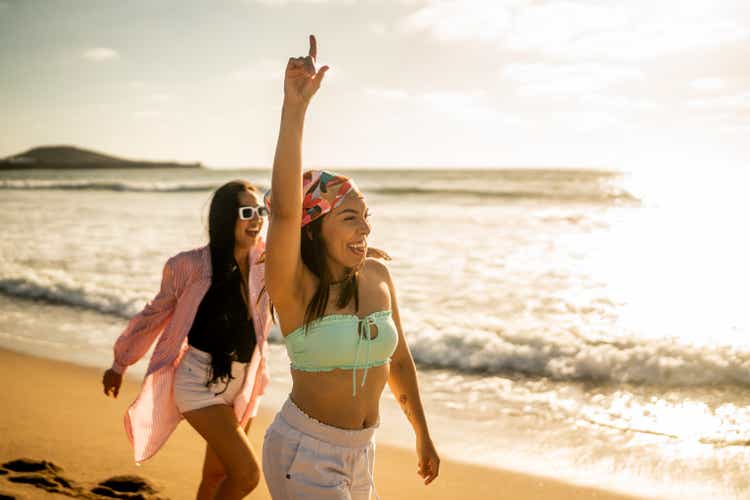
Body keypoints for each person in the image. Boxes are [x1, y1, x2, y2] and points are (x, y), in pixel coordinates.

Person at [262, 35, 440, 499]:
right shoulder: (295, 286)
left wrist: (422, 431)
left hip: (363, 453)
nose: (364, 228)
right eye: (349, 217)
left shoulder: (378, 278)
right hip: (304, 451)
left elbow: (398, 360)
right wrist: (294, 108)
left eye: (366, 217)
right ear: (314, 226)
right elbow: (283, 210)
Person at [101, 180, 272, 500]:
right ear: (225, 218)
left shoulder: (266, 263)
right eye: (247, 212)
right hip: (197, 382)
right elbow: (154, 315)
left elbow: (309, 265)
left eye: (260, 211)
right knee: (247, 475)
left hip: (244, 384)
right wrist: (120, 362)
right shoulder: (190, 265)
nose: (257, 219)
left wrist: (351, 255)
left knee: (217, 476)